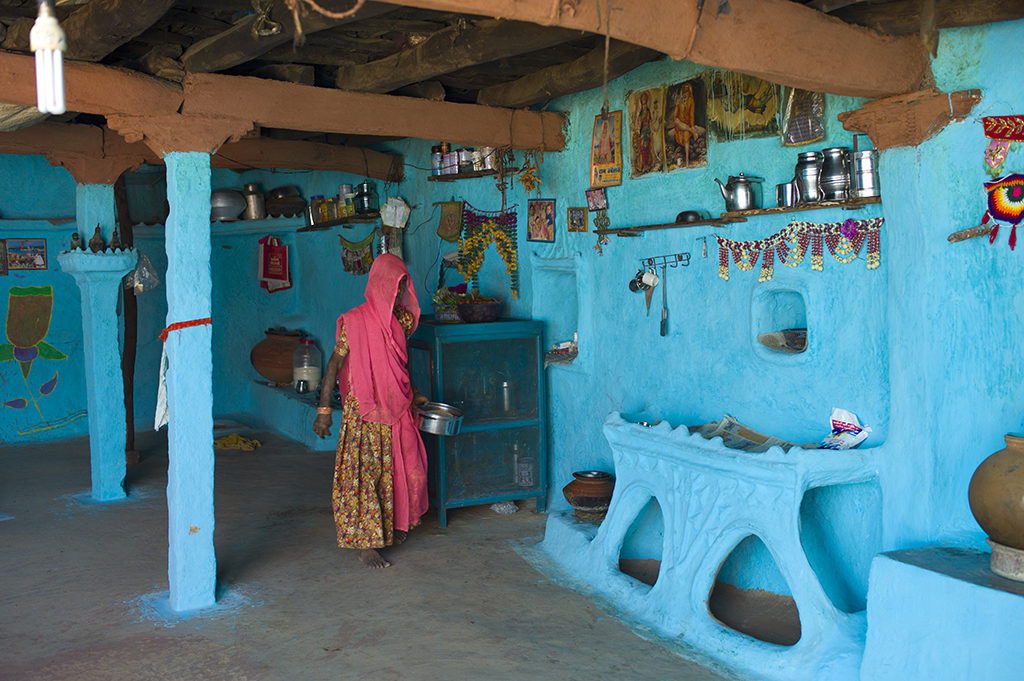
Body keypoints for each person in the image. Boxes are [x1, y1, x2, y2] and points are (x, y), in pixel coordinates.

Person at [313, 254, 429, 569]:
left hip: (397, 407)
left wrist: (414, 394)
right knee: (364, 475)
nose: (401, 291)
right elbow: (333, 366)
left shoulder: (402, 321)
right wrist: (324, 410)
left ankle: (392, 527)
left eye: (404, 285)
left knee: (402, 470)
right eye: (396, 285)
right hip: (364, 413)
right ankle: (367, 544)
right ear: (380, 285)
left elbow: (399, 365)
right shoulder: (355, 322)